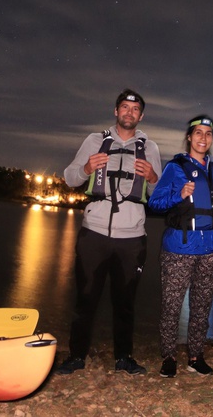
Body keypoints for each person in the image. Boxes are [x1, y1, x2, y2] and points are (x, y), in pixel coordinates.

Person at [56, 89, 162, 376]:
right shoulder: (95, 140)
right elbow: (69, 178)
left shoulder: (149, 147)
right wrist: (88, 167)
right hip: (94, 234)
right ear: (116, 111)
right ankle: (76, 355)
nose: (129, 112)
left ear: (141, 115)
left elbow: (161, 195)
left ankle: (124, 357)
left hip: (132, 237)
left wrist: (152, 177)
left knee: (125, 301)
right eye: (124, 107)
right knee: (85, 298)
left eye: (135, 109)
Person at [147, 115, 213, 377]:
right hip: (179, 248)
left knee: (202, 307)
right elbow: (155, 203)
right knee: (171, 305)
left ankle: (195, 356)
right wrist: (178, 194)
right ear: (190, 137)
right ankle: (169, 356)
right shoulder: (176, 167)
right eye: (199, 133)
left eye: (208, 134)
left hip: (212, 249)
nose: (204, 138)